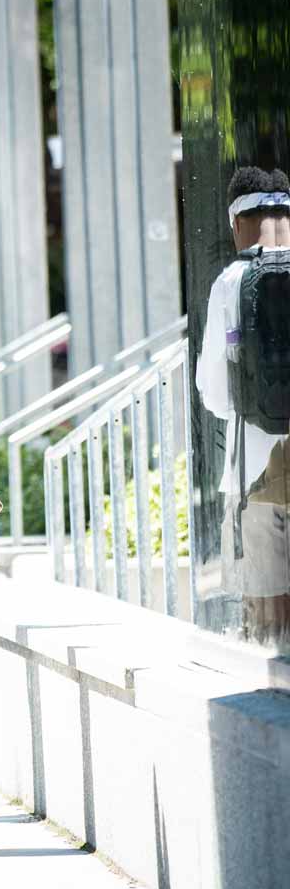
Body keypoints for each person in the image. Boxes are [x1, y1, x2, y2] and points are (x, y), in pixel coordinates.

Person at [196, 166, 290, 646]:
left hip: (254, 472)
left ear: (237, 223)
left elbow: (211, 389)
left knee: (269, 626)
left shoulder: (231, 283)